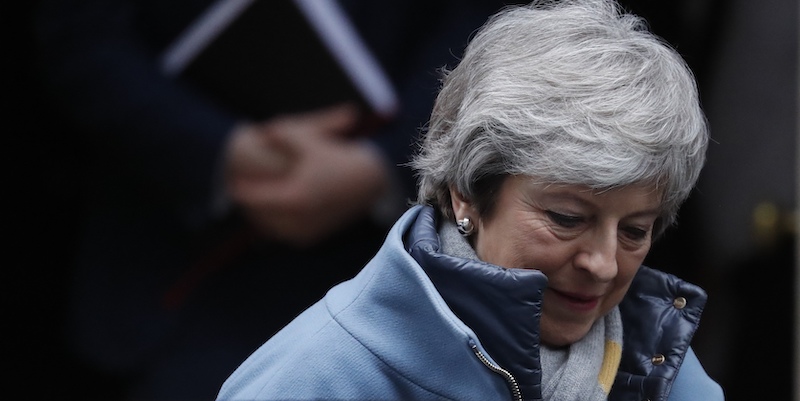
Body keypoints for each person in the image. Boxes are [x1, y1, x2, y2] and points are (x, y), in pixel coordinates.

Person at [214, 0, 725, 400]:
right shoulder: (318, 379)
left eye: (636, 230)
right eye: (568, 219)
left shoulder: (669, 375)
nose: (604, 264)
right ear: (467, 195)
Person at [31, 0, 507, 399]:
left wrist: (383, 164)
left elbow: (492, 25)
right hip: (167, 274)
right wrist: (221, 150)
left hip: (401, 282)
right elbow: (80, 32)